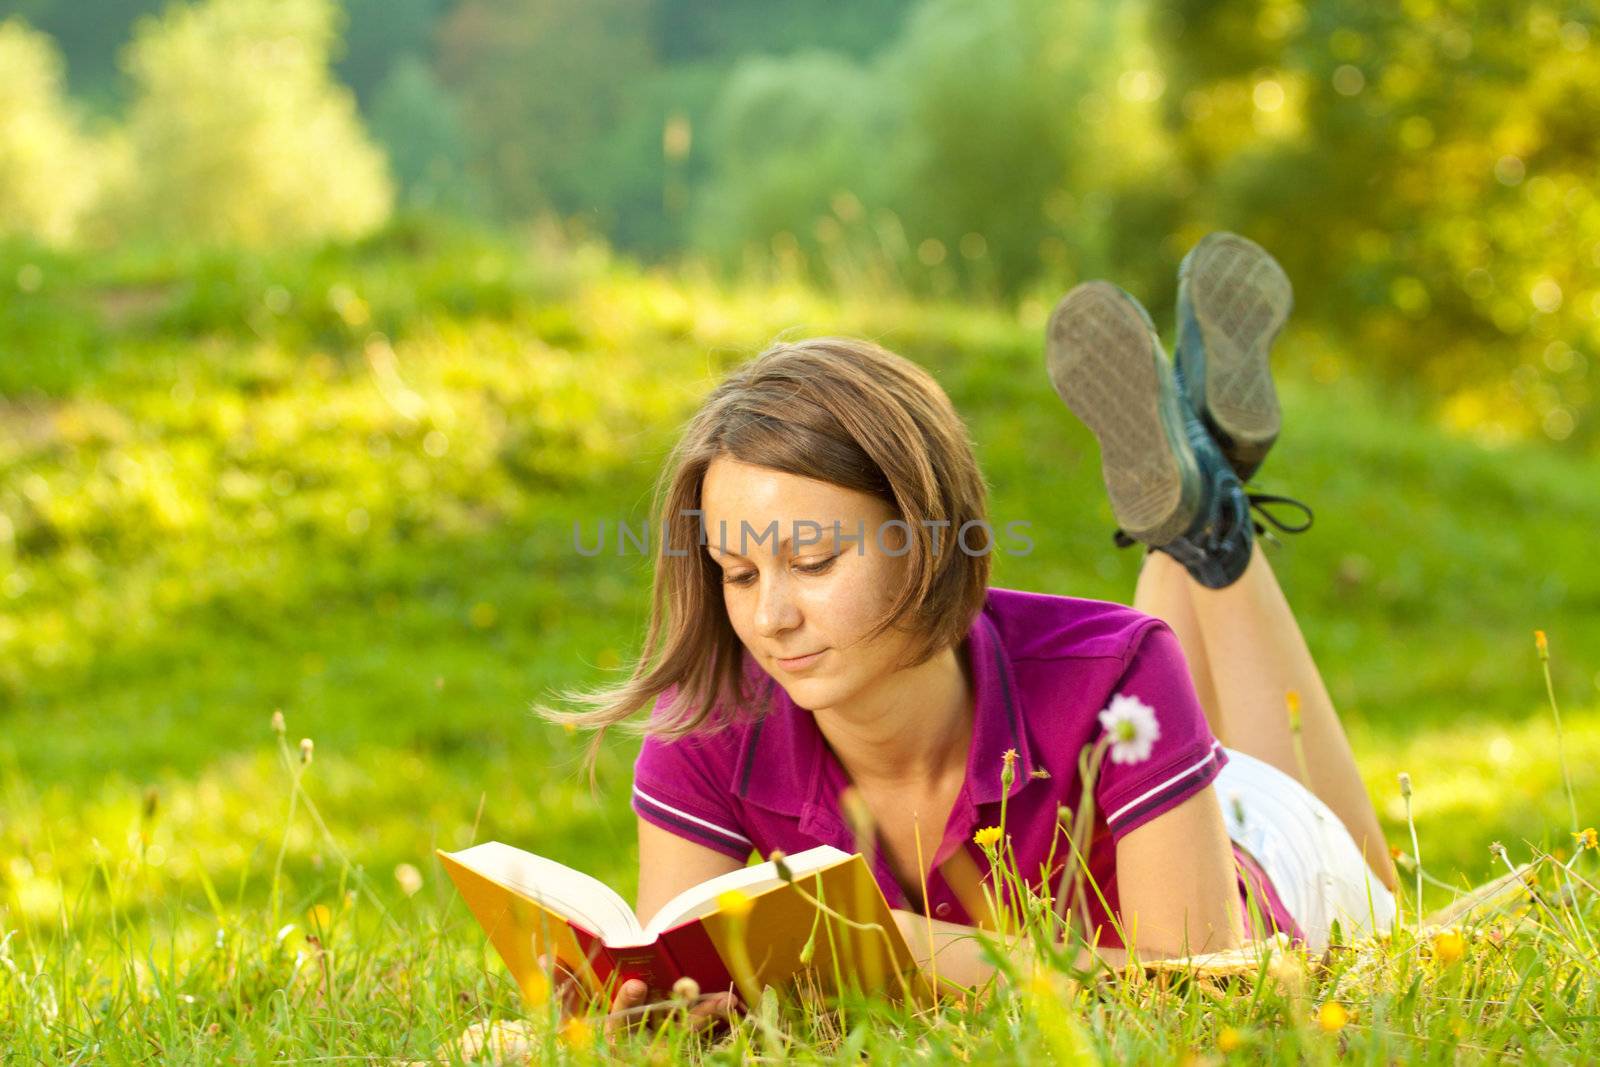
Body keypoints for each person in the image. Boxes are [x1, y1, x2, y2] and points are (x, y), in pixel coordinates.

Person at [550, 232, 1399, 1027]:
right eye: (739, 573)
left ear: (926, 535)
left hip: (1245, 865)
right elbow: (683, 968)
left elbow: (1202, 994)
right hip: (1145, 771)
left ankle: (1212, 525)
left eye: (812, 562)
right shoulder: (708, 726)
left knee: (1373, 887)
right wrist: (662, 1010)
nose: (770, 617)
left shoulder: (1120, 668)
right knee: (1130, 669)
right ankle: (1198, 495)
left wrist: (920, 950)